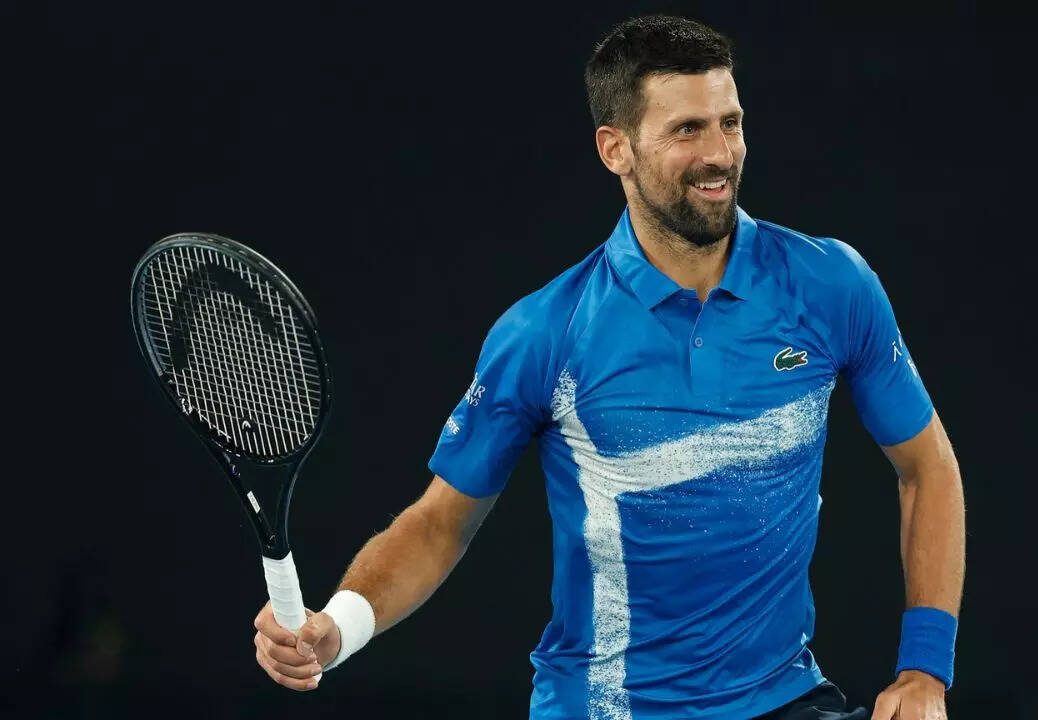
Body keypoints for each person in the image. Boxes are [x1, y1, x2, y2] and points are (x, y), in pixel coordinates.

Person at [252, 15, 965, 720]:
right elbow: (440, 523)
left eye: (731, 122)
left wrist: (925, 671)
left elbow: (927, 467)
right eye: (687, 130)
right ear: (615, 149)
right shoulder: (546, 334)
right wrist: (339, 626)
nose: (720, 154)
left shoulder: (831, 285)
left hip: (782, 698)